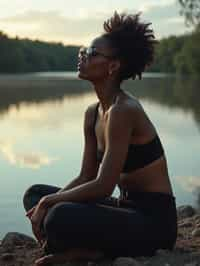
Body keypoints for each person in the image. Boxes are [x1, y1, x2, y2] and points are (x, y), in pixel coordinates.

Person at [23, 11, 177, 266]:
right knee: (34, 194)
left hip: (155, 224)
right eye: (84, 50)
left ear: (113, 66)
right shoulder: (92, 113)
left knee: (57, 213)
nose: (82, 55)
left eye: (91, 52)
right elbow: (86, 177)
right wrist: (44, 200)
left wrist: (51, 203)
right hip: (125, 209)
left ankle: (87, 253)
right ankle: (89, 249)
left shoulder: (124, 110)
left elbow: (104, 186)